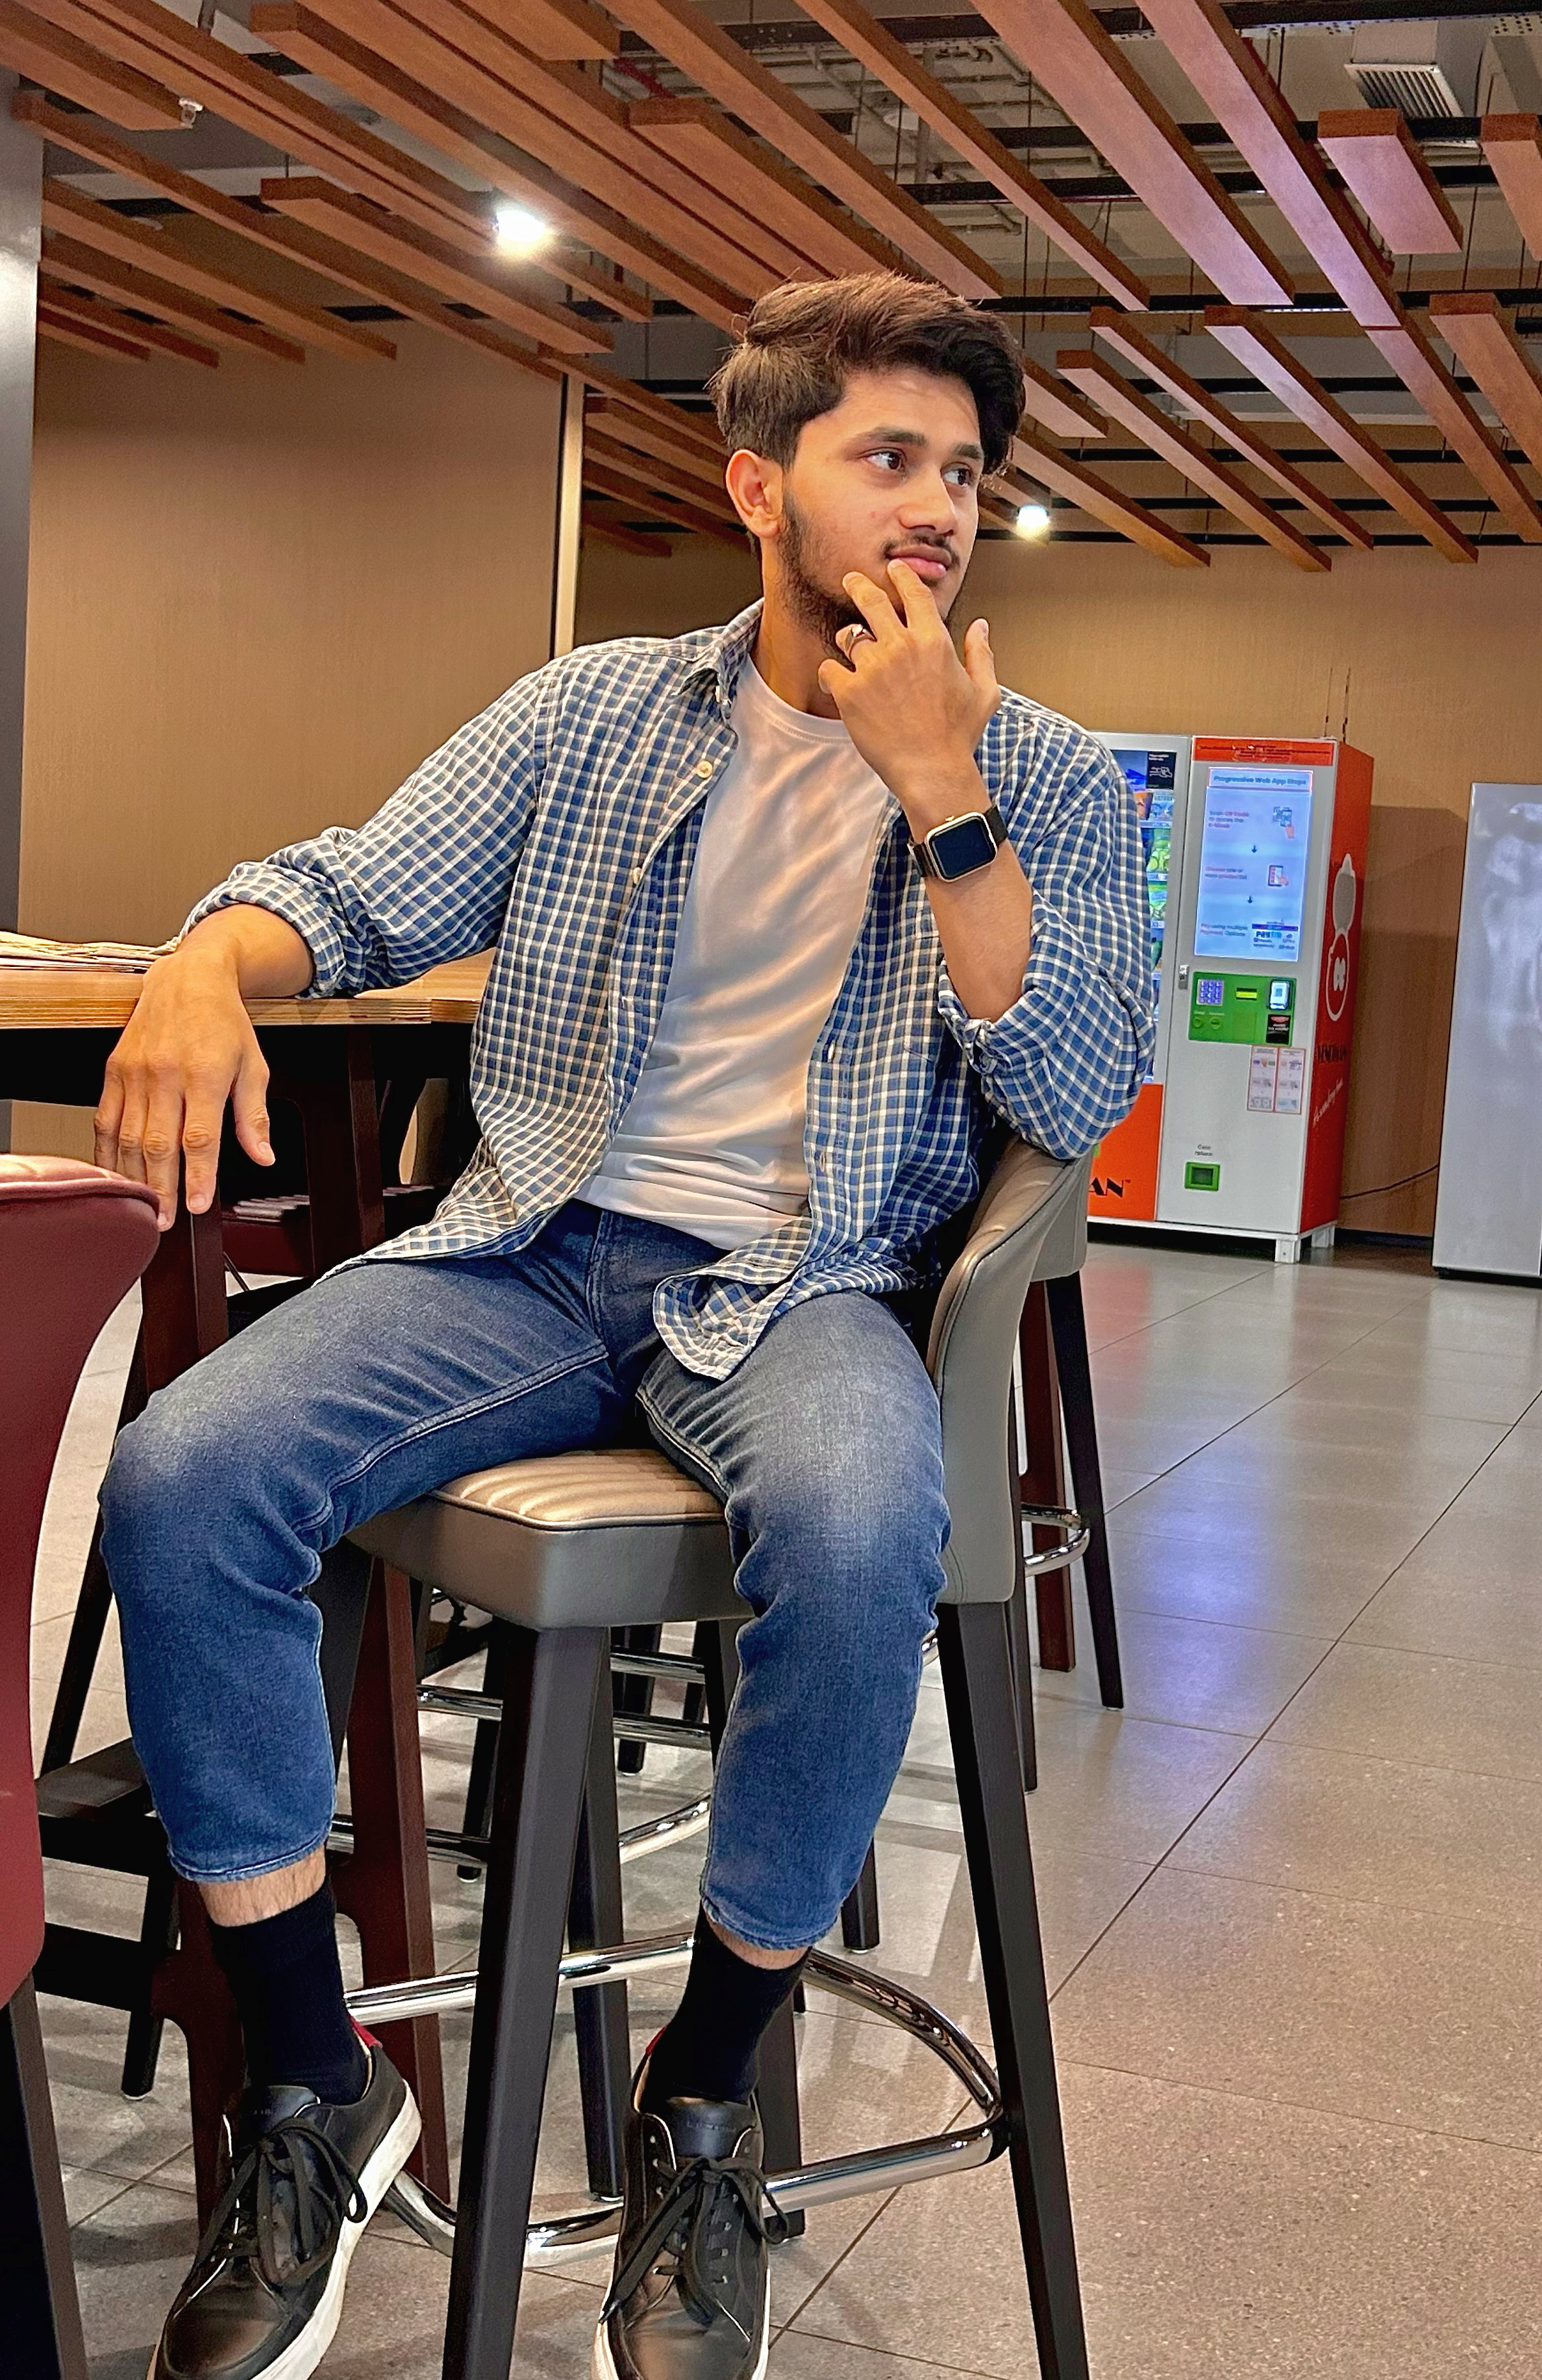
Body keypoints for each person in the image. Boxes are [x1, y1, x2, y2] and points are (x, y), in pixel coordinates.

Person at [93, 271, 1152, 2380]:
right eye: (889, 458)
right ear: (759, 485)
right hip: (541, 1245)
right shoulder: (597, 713)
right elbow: (365, 885)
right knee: (184, 1472)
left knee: (860, 1533)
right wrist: (208, 956)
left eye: (964, 473)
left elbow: (1078, 1078)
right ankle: (313, 2085)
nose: (940, 508)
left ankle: (703, 2103)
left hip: (811, 1284)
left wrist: (940, 794)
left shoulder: (1041, 772)